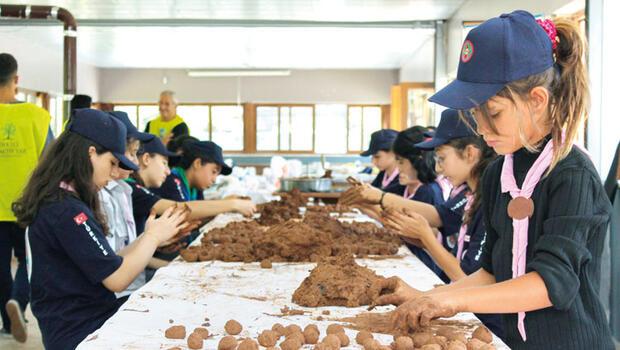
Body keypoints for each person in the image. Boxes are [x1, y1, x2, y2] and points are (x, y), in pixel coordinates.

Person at [383, 11, 615, 349]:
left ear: (537, 100)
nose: (480, 129)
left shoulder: (571, 174)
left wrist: (452, 303)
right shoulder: (497, 174)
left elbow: (550, 284)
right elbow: (491, 272)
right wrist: (425, 296)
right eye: (474, 114)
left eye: (493, 113)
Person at [12, 109, 188, 349]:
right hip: (77, 328)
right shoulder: (67, 211)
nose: (115, 173)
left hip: (89, 314)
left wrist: (148, 236)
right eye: (112, 163)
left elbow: (109, 262)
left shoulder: (66, 200)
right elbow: (116, 279)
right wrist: (153, 238)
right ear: (91, 154)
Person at [380, 111, 502, 337]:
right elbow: (442, 217)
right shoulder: (469, 193)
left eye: (442, 158)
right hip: (462, 304)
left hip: (486, 323)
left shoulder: (491, 201)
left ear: (470, 153)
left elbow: (469, 278)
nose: (438, 169)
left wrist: (426, 238)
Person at [0, 52, 53, 343]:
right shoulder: (38, 117)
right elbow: (52, 161)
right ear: (16, 79)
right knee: (28, 261)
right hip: (28, 205)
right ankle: (17, 305)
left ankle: (7, 325)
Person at [361, 129, 405, 196]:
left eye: (377, 157)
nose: (373, 161)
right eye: (372, 157)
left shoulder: (403, 178)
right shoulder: (383, 173)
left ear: (393, 152)